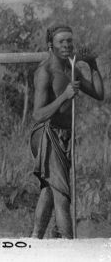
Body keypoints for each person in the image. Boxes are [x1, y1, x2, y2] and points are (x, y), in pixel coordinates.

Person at [30, 25, 104, 238]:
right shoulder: (45, 72)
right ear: (50, 45)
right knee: (62, 195)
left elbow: (99, 94)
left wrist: (92, 64)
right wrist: (64, 96)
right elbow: (37, 115)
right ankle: (69, 249)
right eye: (61, 42)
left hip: (65, 135)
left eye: (69, 41)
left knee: (49, 191)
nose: (67, 45)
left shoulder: (72, 69)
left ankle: (35, 238)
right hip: (46, 133)